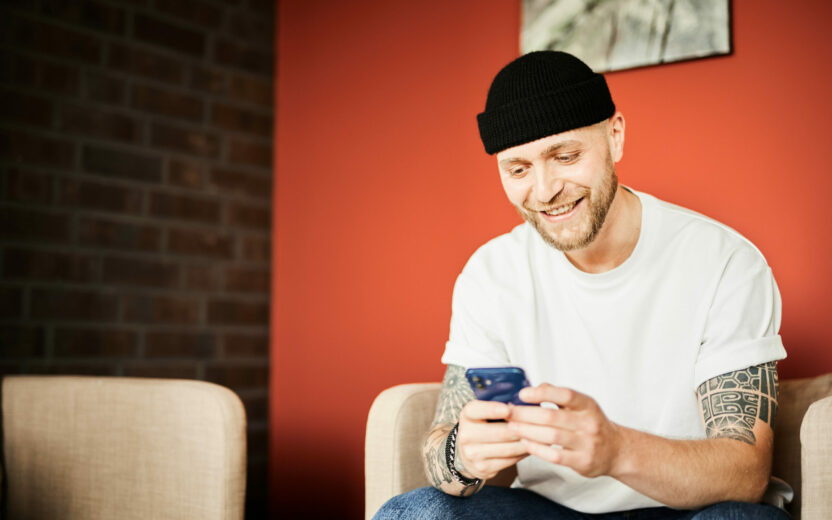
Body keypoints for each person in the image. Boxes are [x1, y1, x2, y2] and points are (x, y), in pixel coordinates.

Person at [373, 51, 789, 519]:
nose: (545, 190)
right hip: (546, 509)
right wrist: (462, 456)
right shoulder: (491, 273)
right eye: (518, 169)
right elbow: (442, 448)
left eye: (565, 156)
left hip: (686, 510)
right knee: (418, 511)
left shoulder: (724, 261)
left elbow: (746, 474)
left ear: (615, 136)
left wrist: (616, 451)